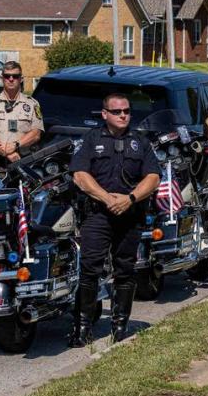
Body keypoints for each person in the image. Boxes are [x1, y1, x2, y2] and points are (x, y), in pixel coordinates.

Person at [68, 93, 160, 345]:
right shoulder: (91, 139)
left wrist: (129, 199)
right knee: (89, 269)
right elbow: (80, 175)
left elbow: (153, 177)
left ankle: (120, 326)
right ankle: (82, 327)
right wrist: (107, 198)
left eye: (127, 111)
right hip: (98, 214)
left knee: (125, 270)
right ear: (104, 114)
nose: (123, 116)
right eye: (117, 112)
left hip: (129, 215)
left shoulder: (139, 141)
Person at [0, 61, 43, 189]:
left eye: (15, 76)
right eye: (7, 76)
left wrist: (16, 145)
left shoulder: (32, 104)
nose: (11, 79)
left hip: (24, 168)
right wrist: (4, 151)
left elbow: (36, 134)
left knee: (28, 203)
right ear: (2, 78)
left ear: (21, 79)